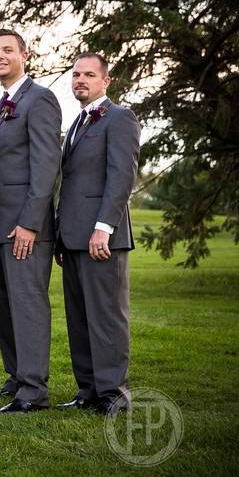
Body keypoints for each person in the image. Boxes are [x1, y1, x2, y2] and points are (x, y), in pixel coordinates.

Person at [55, 53, 140, 417]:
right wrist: (61, 234)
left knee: (106, 317)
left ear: (106, 81)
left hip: (101, 237)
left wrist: (103, 227)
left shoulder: (120, 118)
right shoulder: (76, 123)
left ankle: (113, 394)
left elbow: (122, 175)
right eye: (76, 75)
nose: (80, 80)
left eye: (89, 75)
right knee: (79, 318)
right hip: (72, 238)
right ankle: (87, 389)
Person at [0, 29, 62, 414]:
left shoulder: (40, 99)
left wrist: (31, 222)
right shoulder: (2, 104)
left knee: (27, 305)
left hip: (25, 227)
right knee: (6, 305)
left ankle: (33, 391)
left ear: (25, 55)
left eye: (7, 50)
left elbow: (46, 164)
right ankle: (16, 378)